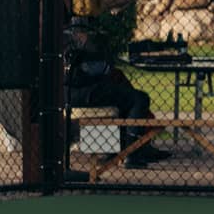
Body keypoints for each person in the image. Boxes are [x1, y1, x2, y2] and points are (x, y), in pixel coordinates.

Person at [65, 17, 170, 167]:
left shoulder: (63, 41)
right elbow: (100, 71)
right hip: (88, 94)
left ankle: (130, 147)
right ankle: (132, 153)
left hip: (69, 95)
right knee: (139, 98)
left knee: (125, 92)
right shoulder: (87, 45)